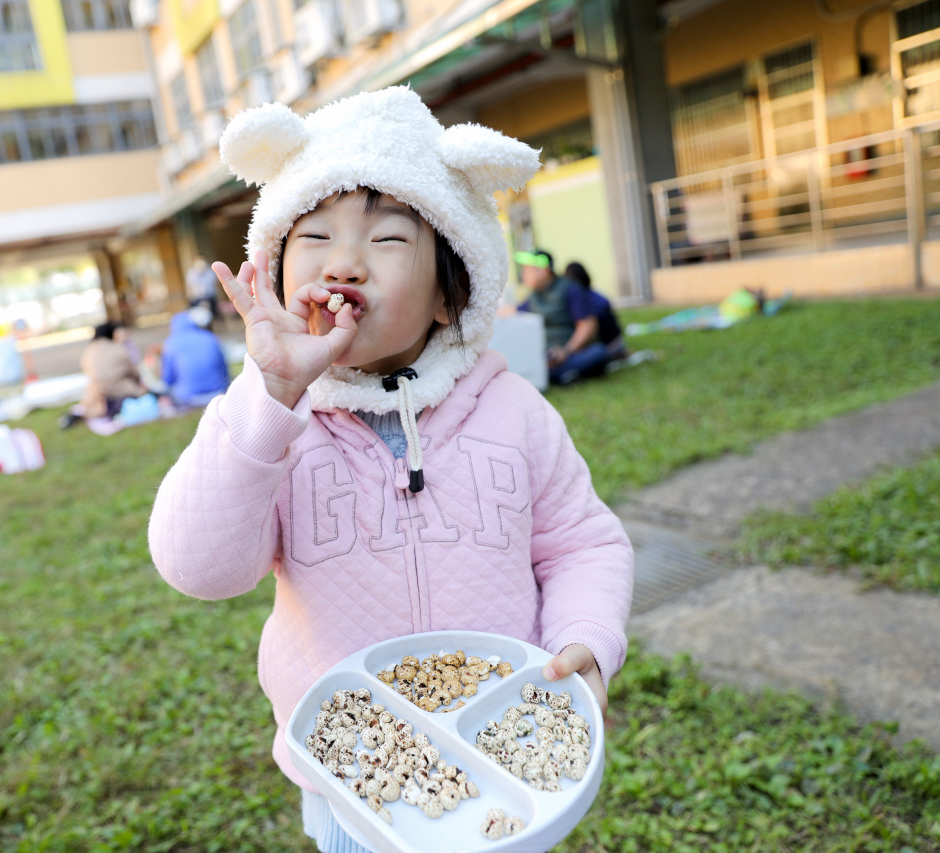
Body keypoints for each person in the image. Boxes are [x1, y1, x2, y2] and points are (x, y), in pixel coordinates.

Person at [147, 88, 633, 852]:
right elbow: (199, 569)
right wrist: (269, 395)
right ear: (275, 270)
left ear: (448, 292)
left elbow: (582, 544)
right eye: (313, 235)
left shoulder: (516, 415)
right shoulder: (277, 426)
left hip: (506, 766)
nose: (343, 262)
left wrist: (586, 637)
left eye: (386, 241)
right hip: (356, 782)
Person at [516, 252, 628, 386]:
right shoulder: (534, 296)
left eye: (528, 270)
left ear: (544, 270)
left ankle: (553, 374)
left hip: (571, 352)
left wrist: (565, 351)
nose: (524, 275)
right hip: (546, 356)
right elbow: (513, 311)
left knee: (598, 353)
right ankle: (559, 375)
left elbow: (587, 326)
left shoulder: (570, 289)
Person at [63, 322, 149, 427]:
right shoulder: (118, 348)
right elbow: (134, 373)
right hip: (121, 391)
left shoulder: (88, 351)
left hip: (97, 394)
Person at [160, 305, 231, 409]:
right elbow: (224, 368)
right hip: (218, 393)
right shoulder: (210, 337)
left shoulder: (170, 344)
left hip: (187, 398)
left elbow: (167, 378)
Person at [185, 255, 220, 321]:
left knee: (215, 313)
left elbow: (213, 282)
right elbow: (190, 285)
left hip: (210, 296)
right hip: (197, 298)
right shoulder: (191, 272)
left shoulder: (210, 271)